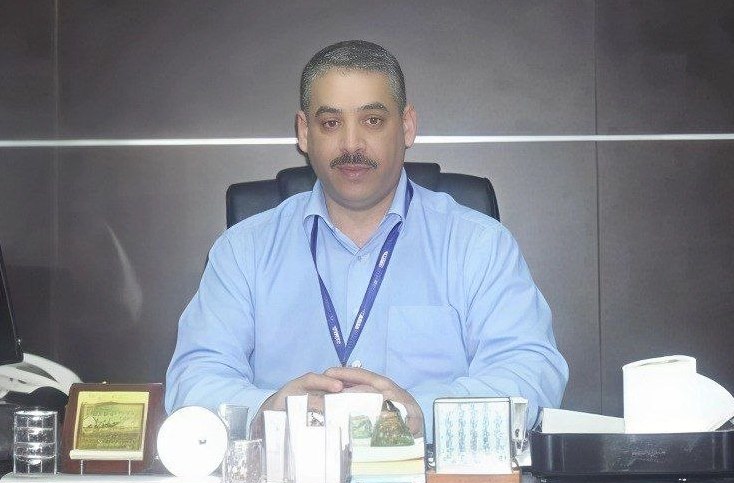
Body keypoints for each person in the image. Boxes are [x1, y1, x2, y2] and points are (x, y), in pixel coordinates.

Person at [165, 40, 568, 439]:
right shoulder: (242, 251)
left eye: (372, 120)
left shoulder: (478, 245)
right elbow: (193, 381)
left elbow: (530, 373)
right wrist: (266, 412)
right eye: (330, 123)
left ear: (407, 126)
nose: (351, 145)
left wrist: (420, 414)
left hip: (431, 472)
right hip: (289, 471)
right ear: (304, 132)